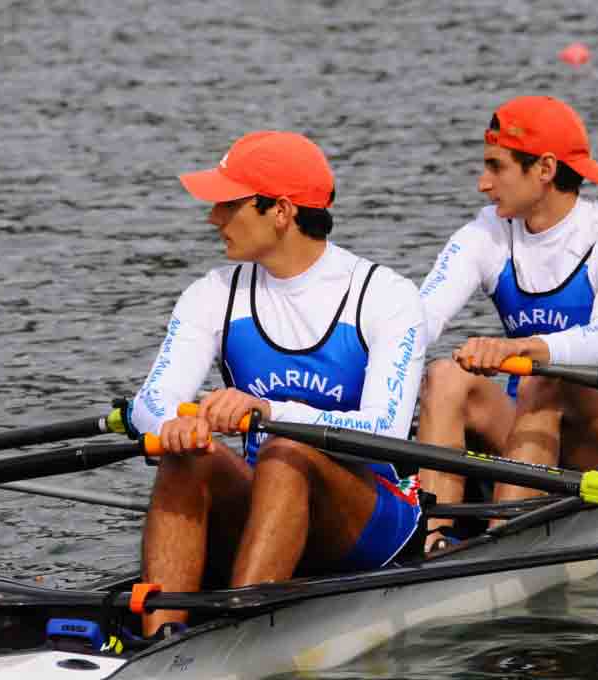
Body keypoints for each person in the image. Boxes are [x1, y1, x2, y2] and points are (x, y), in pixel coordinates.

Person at [129, 131, 426, 636]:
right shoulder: (212, 294)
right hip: (265, 502)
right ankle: (160, 636)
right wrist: (171, 425)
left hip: (369, 518)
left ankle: (242, 633)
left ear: (282, 211)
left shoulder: (385, 296)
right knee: (187, 454)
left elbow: (386, 431)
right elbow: (149, 402)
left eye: (229, 204)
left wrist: (270, 413)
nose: (213, 218)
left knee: (287, 450)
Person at [417, 96, 598, 552]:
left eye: (496, 167)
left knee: (546, 379)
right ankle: (432, 538)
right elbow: (420, 320)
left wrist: (519, 349)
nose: (483, 183)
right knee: (444, 375)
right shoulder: (488, 232)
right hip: (525, 431)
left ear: (546, 169)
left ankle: (499, 546)